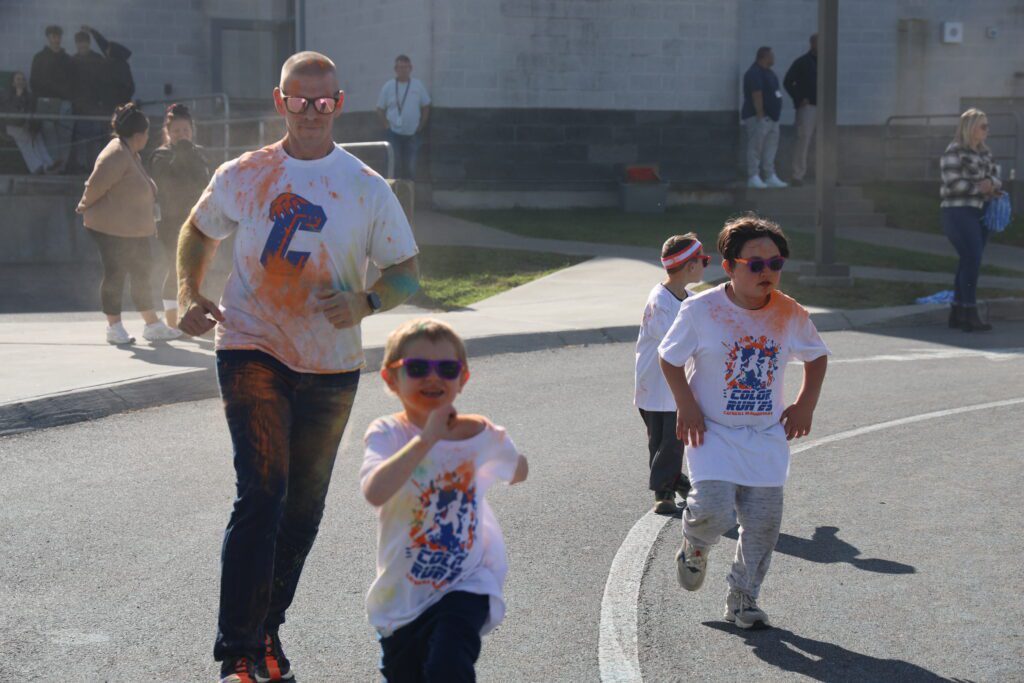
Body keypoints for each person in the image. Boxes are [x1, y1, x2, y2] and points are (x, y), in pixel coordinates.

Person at [176, 51, 421, 683]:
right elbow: (198, 231)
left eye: (323, 102)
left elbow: (407, 274)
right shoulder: (246, 173)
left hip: (331, 367)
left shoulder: (367, 186)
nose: (310, 112)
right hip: (251, 346)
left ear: (339, 105)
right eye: (297, 100)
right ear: (279, 101)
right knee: (262, 492)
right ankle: (238, 651)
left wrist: (367, 300)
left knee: (303, 511)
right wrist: (186, 291)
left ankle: (266, 631)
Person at [658, 214, 829, 629]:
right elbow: (669, 357)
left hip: (765, 434)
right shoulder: (702, 310)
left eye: (775, 263)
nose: (766, 272)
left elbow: (817, 355)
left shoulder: (789, 312)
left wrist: (805, 404)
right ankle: (696, 543)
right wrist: (686, 405)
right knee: (714, 511)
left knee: (764, 525)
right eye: (755, 264)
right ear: (730, 265)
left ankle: (743, 598)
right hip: (712, 431)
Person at [361, 318, 529, 682]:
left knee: (448, 667)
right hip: (403, 594)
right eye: (418, 368)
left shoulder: (478, 434)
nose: (433, 378)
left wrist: (506, 451)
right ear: (391, 379)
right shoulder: (388, 433)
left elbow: (517, 470)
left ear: (463, 378)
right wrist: (427, 440)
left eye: (447, 368)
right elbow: (375, 491)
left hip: (466, 580)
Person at [76, 103, 182, 344]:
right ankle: (114, 327)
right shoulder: (115, 155)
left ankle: (152, 324)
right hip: (110, 228)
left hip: (133, 229)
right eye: (146, 133)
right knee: (116, 274)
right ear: (138, 135)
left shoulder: (129, 152)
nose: (147, 137)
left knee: (142, 273)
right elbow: (95, 186)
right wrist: (84, 205)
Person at [634, 233, 708, 514]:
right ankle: (663, 493)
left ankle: (674, 482)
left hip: (675, 385)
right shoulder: (660, 302)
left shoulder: (689, 297)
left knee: (668, 440)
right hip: (656, 386)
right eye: (704, 260)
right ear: (690, 266)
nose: (705, 265)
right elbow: (673, 343)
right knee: (668, 440)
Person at [148, 104, 210, 329]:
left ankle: (191, 315)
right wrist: (181, 153)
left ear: (192, 130)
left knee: (196, 270)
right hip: (170, 222)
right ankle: (172, 320)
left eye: (185, 131)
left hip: (196, 221)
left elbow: (205, 183)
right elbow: (165, 184)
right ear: (168, 133)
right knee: (175, 269)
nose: (182, 135)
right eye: (176, 131)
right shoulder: (161, 155)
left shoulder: (199, 153)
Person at [940, 108, 1003, 333]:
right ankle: (969, 311)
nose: (987, 130)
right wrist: (980, 188)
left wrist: (992, 184)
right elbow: (952, 182)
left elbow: (997, 175)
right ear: (970, 128)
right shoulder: (954, 151)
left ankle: (958, 313)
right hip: (958, 213)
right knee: (972, 258)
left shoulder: (985, 152)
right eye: (983, 126)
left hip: (981, 212)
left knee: (969, 260)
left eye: (987, 126)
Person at [376, 55, 431, 180]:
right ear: (395, 69)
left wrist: (421, 125)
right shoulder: (388, 86)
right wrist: (386, 125)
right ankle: (392, 195)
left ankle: (409, 196)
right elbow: (380, 109)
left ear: (410, 68)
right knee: (393, 165)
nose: (403, 70)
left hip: (412, 134)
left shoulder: (418, 85)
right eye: (400, 67)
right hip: (393, 133)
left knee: (410, 166)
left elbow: (426, 105)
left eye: (406, 67)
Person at [741, 47, 787, 190]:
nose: (774, 58)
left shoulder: (771, 73)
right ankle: (753, 176)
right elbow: (757, 94)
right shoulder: (754, 73)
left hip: (773, 118)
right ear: (764, 57)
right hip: (758, 117)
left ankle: (769, 175)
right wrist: (760, 115)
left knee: (770, 147)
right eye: (771, 55)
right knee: (756, 146)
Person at [29, 25, 73, 172]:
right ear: (48, 38)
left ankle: (62, 167)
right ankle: (53, 166)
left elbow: (74, 81)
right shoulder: (40, 57)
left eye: (58, 36)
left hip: (64, 102)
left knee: (65, 136)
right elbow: (34, 81)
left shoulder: (67, 59)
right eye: (53, 36)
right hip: (46, 102)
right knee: (49, 135)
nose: (56, 39)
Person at [69, 29, 109, 172]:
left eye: (84, 42)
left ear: (88, 43)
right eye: (79, 43)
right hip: (79, 106)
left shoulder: (97, 59)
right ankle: (81, 167)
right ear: (76, 44)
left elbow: (104, 82)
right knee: (81, 138)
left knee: (96, 138)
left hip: (96, 106)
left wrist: (101, 101)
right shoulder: (72, 61)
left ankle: (95, 167)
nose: (82, 46)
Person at [1, 71, 55, 174]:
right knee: (25, 139)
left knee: (37, 138)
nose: (21, 82)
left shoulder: (30, 96)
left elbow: (32, 113)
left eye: (23, 79)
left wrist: (33, 128)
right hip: (10, 126)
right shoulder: (5, 95)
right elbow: (11, 113)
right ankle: (36, 166)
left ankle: (49, 165)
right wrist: (18, 96)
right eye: (18, 79)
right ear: (12, 82)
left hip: (25, 126)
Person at [783, 34, 817, 187]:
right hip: (808, 107)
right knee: (803, 139)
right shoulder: (802, 62)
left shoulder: (828, 61)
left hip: (825, 107)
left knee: (826, 141)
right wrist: (799, 98)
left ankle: (827, 174)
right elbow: (788, 81)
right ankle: (798, 174)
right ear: (812, 43)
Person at [82, 25, 135, 107]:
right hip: (112, 103)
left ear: (113, 52)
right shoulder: (115, 62)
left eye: (108, 49)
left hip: (117, 104)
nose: (106, 51)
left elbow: (128, 87)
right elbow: (102, 43)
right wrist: (92, 31)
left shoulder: (119, 66)